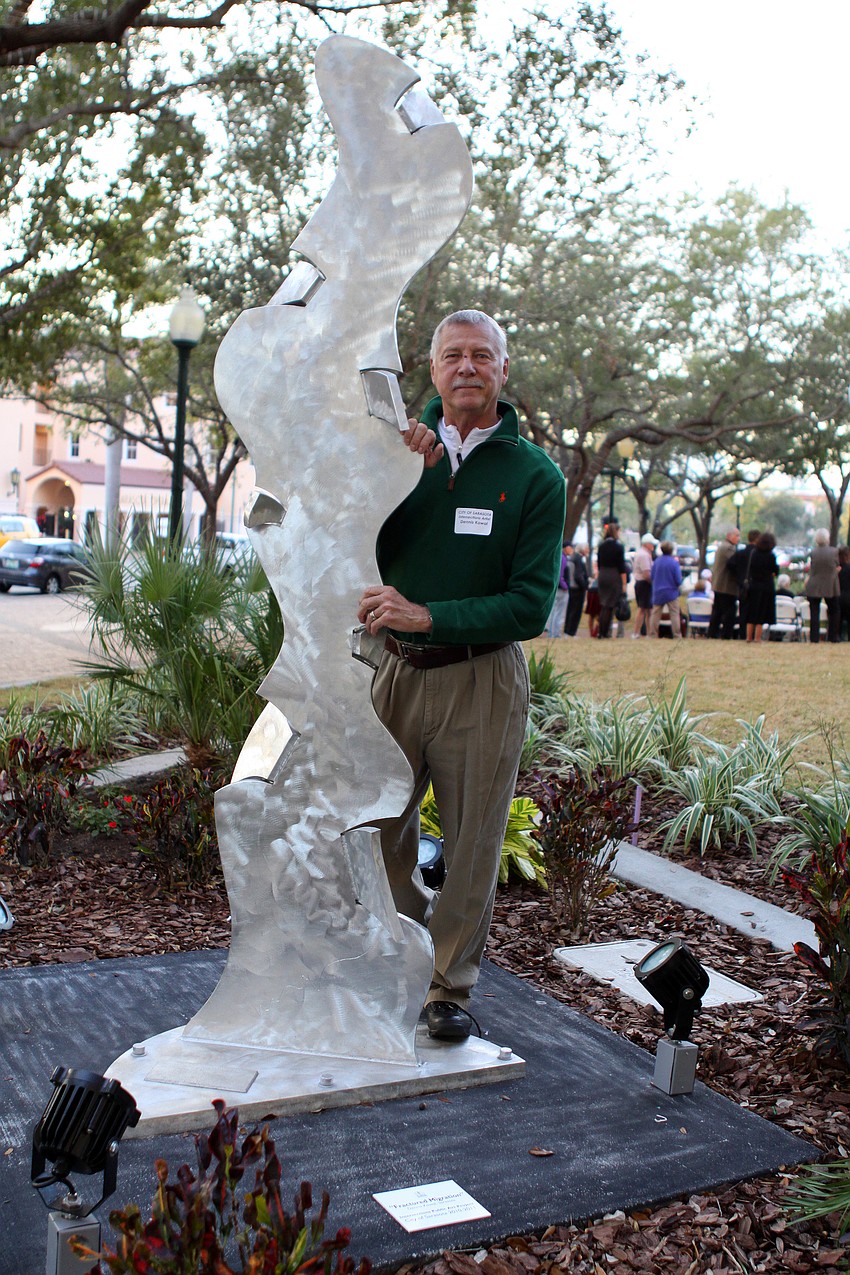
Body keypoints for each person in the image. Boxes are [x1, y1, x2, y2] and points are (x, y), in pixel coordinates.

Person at [358, 309, 566, 1042]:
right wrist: (396, 470)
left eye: (484, 355)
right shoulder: (386, 454)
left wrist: (427, 615)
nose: (468, 367)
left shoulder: (535, 476)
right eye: (454, 355)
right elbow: (347, 539)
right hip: (392, 672)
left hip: (481, 680)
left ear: (504, 370)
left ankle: (448, 986)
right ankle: (406, 950)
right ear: (433, 368)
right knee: (372, 827)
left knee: (474, 842)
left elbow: (529, 604)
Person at [805, 528, 840, 644]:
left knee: (814, 612)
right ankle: (832, 637)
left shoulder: (813, 552)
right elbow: (836, 565)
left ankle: (814, 638)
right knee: (834, 610)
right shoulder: (834, 552)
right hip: (830, 584)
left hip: (814, 584)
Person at [745, 531, 779, 643]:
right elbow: (775, 571)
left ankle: (748, 637)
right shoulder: (771, 556)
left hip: (754, 585)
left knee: (752, 612)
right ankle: (757, 638)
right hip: (766, 586)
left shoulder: (754, 553)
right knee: (761, 613)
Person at [596, 520, 627, 639]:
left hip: (603, 574)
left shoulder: (602, 546)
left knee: (604, 604)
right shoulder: (618, 547)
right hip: (613, 575)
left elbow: (598, 563)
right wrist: (623, 584)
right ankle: (604, 632)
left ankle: (601, 631)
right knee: (610, 604)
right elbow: (622, 567)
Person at [708, 528, 741, 639]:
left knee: (717, 610)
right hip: (726, 585)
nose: (738, 538)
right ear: (729, 536)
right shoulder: (729, 548)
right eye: (736, 535)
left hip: (719, 584)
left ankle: (712, 632)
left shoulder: (721, 546)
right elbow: (734, 564)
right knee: (729, 611)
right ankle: (726, 633)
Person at [648, 541, 682, 637]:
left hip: (658, 591)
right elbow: (678, 580)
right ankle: (677, 634)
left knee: (655, 614)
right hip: (671, 592)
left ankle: (653, 634)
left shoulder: (656, 562)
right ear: (671, 550)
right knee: (674, 614)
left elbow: (652, 576)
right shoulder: (674, 563)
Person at [736, 529, 760, 640]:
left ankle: (743, 634)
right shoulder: (758, 553)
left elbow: (731, 564)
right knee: (754, 611)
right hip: (755, 585)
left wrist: (739, 576)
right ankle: (753, 635)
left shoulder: (741, 553)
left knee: (743, 611)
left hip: (743, 585)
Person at [631, 533, 655, 638]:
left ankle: (649, 632)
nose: (653, 546)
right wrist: (653, 583)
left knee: (648, 609)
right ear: (647, 544)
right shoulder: (644, 555)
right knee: (643, 609)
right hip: (644, 584)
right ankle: (636, 632)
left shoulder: (640, 553)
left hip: (640, 583)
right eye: (652, 543)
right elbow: (646, 573)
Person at [545, 543, 570, 638]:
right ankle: (555, 633)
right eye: (570, 547)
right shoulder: (563, 558)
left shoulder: (558, 556)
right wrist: (565, 586)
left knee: (554, 611)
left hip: (556, 588)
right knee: (558, 612)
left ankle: (552, 632)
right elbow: (560, 575)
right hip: (561, 589)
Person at [565, 542, 588, 636]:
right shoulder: (578, 559)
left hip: (571, 587)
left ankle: (568, 630)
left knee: (570, 610)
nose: (588, 550)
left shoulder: (572, 557)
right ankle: (571, 631)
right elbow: (578, 575)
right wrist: (584, 586)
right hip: (577, 589)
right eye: (586, 548)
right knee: (575, 611)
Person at [838, 547, 850, 642]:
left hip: (838, 596)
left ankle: (838, 637)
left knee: (839, 620)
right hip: (848, 596)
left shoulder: (838, 569)